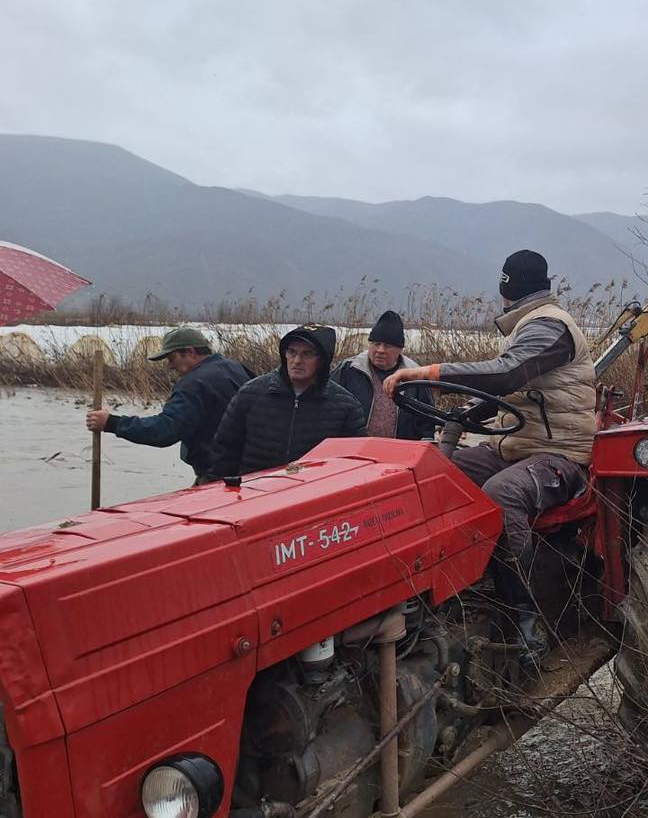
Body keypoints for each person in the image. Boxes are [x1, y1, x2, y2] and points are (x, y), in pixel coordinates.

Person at [383, 249, 595, 669]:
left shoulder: (549, 326)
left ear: (506, 288)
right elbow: (511, 392)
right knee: (431, 475)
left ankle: (525, 619)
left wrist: (428, 373)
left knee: (502, 493)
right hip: (515, 448)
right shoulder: (529, 328)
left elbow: (505, 374)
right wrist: (461, 415)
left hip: (559, 456)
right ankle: (430, 588)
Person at [83, 327, 250, 484]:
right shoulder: (235, 368)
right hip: (249, 469)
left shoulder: (193, 384)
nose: (170, 365)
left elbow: (165, 430)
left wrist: (112, 423)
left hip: (218, 474)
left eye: (172, 358)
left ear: (190, 352)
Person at [208, 323, 366, 478]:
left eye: (307, 354)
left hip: (313, 491)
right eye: (292, 352)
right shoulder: (251, 394)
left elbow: (351, 467)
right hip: (254, 489)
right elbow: (224, 451)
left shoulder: (345, 407)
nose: (297, 360)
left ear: (323, 360)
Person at [332, 310, 435, 440]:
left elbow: (426, 422)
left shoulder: (415, 376)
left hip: (400, 449)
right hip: (353, 447)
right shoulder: (349, 369)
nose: (380, 350)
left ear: (400, 349)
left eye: (387, 346)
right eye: (376, 344)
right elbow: (329, 409)